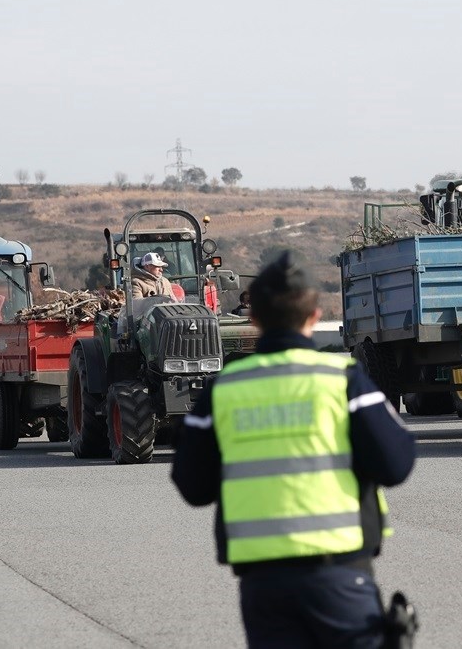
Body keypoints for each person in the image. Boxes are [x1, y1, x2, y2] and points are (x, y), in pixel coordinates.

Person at [172, 251, 417, 649]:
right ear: (315, 316)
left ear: (253, 318)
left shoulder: (223, 390)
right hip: (340, 575)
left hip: (262, 585)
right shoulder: (342, 381)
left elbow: (192, 486)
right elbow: (396, 463)